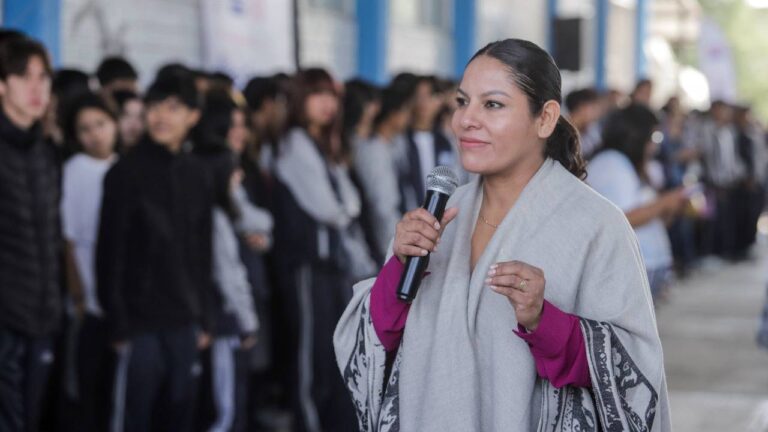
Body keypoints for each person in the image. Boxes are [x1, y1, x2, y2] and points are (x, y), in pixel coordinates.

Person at [334, 39, 671, 431]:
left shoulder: (597, 225)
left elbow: (635, 374)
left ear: (545, 118)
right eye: (462, 102)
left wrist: (543, 320)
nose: (465, 120)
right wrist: (399, 267)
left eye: (492, 104)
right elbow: (372, 348)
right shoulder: (443, 216)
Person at [96, 72, 214, 432]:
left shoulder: (199, 173)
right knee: (135, 418)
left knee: (179, 415)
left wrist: (204, 316)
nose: (161, 116)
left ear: (193, 115)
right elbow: (109, 253)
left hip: (185, 319)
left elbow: (202, 250)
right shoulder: (124, 173)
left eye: (173, 108)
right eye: (154, 106)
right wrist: (117, 322)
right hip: (138, 323)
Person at [272, 68, 364, 432]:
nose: (327, 104)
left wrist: (345, 208)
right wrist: (345, 210)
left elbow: (349, 201)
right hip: (306, 265)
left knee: (333, 354)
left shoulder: (324, 145)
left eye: (332, 96)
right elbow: (330, 208)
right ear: (300, 99)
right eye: (317, 95)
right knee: (313, 357)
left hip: (329, 265)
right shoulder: (295, 143)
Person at [192, 90, 271, 432]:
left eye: (243, 125)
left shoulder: (234, 167)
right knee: (223, 412)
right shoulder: (215, 168)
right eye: (231, 125)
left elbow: (257, 225)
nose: (240, 132)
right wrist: (245, 317)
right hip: (222, 311)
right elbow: (224, 255)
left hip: (227, 307)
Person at [0, 35, 61, 432]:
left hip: (42, 314)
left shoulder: (45, 149)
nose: (37, 88)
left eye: (43, 77)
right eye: (24, 77)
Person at [60, 91, 119, 432]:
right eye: (85, 129)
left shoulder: (123, 169)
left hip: (118, 300)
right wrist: (78, 294)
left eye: (100, 124)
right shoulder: (74, 171)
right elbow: (67, 239)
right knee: (86, 389)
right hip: (87, 299)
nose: (95, 134)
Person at [588, 105, 686, 299]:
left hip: (649, 266)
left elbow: (651, 217)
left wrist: (671, 208)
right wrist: (664, 203)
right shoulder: (612, 163)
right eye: (653, 137)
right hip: (629, 268)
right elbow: (623, 217)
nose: (655, 145)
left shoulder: (634, 165)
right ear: (636, 135)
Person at [354, 83, 413, 263]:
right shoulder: (375, 151)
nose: (409, 117)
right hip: (385, 243)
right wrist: (393, 246)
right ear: (393, 114)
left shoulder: (394, 146)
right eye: (406, 111)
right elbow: (383, 206)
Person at [564, 88, 602, 159]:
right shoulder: (561, 131)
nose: (597, 113)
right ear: (582, 107)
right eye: (593, 107)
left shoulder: (591, 131)